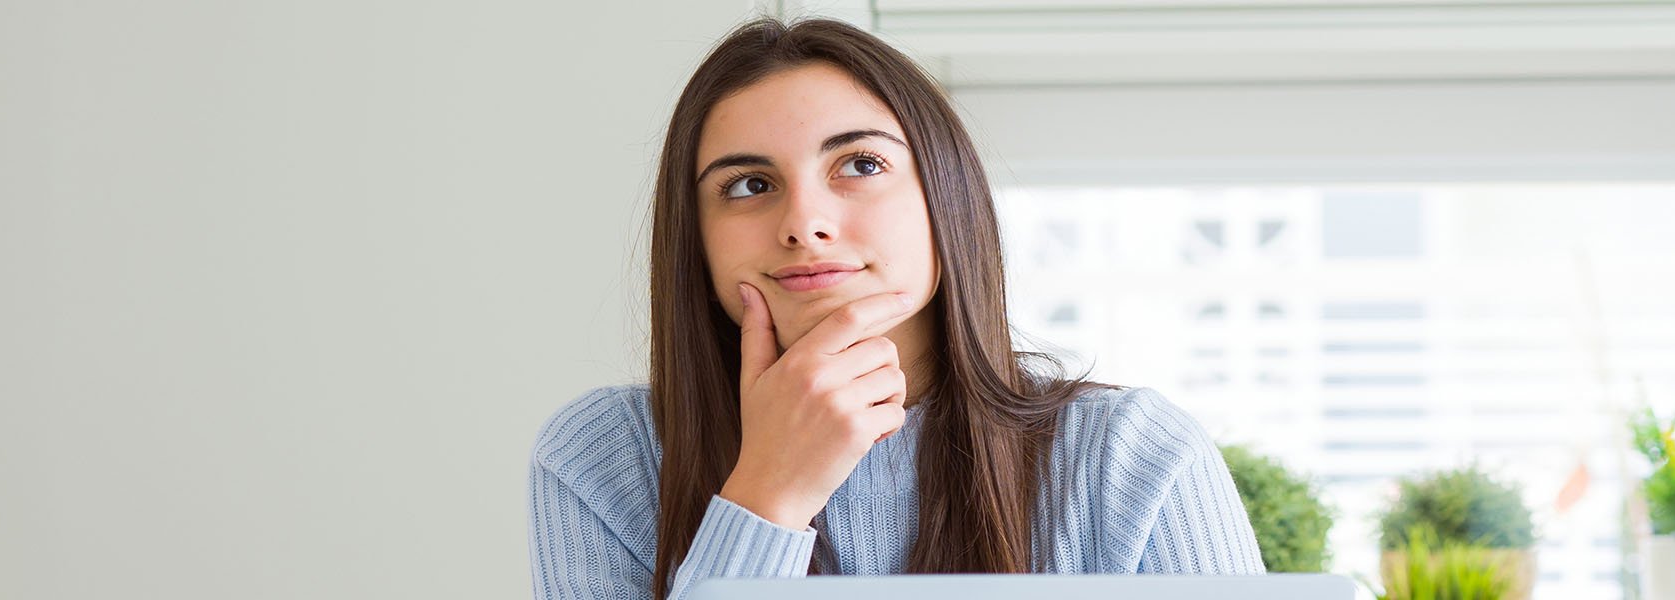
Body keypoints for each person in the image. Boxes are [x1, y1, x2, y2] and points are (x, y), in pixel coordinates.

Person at [528, 17, 1263, 600]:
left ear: (946, 201)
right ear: (697, 237)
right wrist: (770, 494)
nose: (804, 223)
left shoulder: (1131, 456)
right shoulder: (605, 457)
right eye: (749, 184)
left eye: (861, 165)